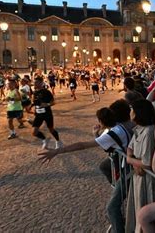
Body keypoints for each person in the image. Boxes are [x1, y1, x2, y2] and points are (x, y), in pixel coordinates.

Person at [39, 99, 134, 233]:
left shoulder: (113, 133)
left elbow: (82, 145)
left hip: (128, 170)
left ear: (102, 121)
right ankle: (119, 189)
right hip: (125, 166)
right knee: (105, 166)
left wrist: (57, 151)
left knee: (112, 207)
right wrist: (97, 133)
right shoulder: (121, 126)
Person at [125, 99, 155, 233]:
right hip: (139, 178)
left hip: (148, 181)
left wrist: (130, 160)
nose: (130, 112)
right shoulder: (139, 129)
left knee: (146, 214)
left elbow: (147, 163)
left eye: (132, 109)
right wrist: (132, 159)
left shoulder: (150, 131)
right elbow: (130, 147)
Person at [30, 77, 62, 149]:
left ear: (41, 83)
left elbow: (53, 102)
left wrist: (46, 104)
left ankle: (58, 141)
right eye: (34, 82)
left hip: (47, 114)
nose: (34, 84)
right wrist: (33, 108)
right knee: (34, 132)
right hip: (38, 115)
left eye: (36, 82)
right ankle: (44, 139)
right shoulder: (34, 92)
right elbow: (35, 102)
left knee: (51, 129)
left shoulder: (46, 92)